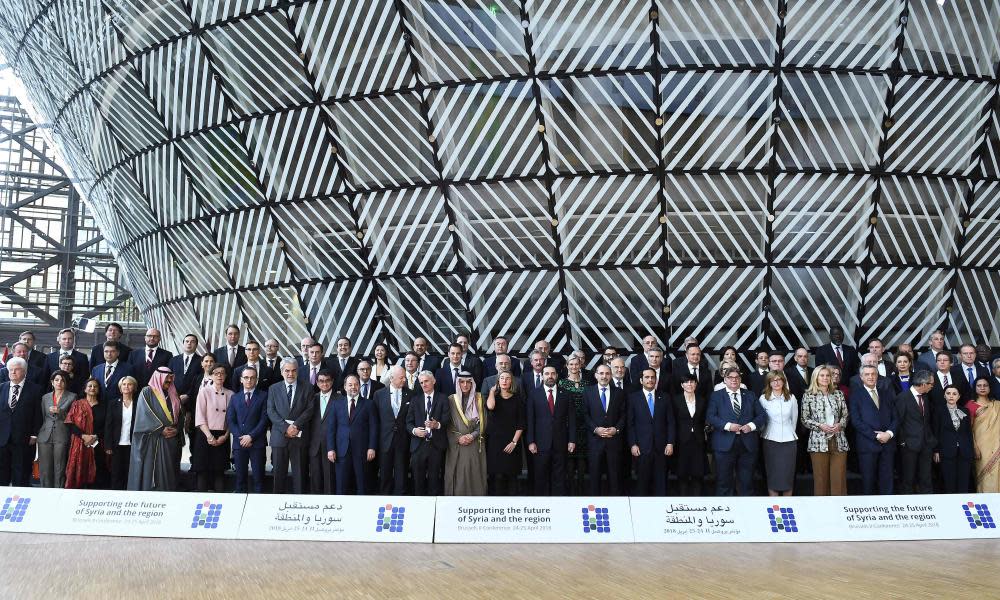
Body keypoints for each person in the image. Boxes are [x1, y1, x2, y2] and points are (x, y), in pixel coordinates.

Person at [707, 368, 765, 496]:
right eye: (730, 377)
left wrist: (751, 425)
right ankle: (725, 513)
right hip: (724, 444)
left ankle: (745, 513)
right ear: (725, 380)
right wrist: (728, 426)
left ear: (740, 379)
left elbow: (761, 415)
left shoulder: (750, 394)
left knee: (747, 482)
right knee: (723, 482)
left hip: (747, 444)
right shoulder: (716, 396)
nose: (734, 379)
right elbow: (710, 416)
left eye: (737, 377)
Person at [128, 367, 182, 491]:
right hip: (153, 439)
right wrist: (160, 429)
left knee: (170, 471)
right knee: (153, 473)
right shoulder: (147, 392)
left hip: (171, 439)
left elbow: (181, 415)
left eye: (170, 376)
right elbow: (143, 415)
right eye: (166, 377)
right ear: (158, 377)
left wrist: (177, 429)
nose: (169, 379)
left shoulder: (173, 393)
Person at [526, 365, 576, 495]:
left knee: (559, 476)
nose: (550, 376)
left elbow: (572, 419)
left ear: (557, 376)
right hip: (540, 444)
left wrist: (572, 440)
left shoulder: (566, 394)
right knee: (541, 476)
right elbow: (530, 420)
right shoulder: (533, 394)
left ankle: (558, 505)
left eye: (553, 373)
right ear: (542, 376)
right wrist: (530, 441)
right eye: (547, 374)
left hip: (561, 442)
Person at [800, 366, 849, 496]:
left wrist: (840, 424)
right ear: (815, 377)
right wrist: (819, 425)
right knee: (821, 480)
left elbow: (845, 415)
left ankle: (839, 511)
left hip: (839, 440)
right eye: (822, 375)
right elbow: (804, 419)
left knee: (838, 479)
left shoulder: (838, 394)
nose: (825, 378)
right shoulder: (808, 395)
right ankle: (822, 512)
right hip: (818, 442)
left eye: (828, 375)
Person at [267, 358, 314, 494]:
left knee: (300, 475)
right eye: (287, 371)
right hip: (279, 437)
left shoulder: (308, 387)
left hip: (299, 437)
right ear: (282, 372)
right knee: (279, 475)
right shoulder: (273, 388)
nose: (290, 374)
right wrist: (286, 428)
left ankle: (300, 504)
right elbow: (271, 411)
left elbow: (310, 410)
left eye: (293, 370)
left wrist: (296, 426)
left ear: (297, 371)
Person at [849, 365, 898, 495]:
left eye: (873, 374)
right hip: (867, 445)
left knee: (887, 481)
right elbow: (856, 421)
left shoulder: (886, 393)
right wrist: (875, 436)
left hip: (888, 444)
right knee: (868, 482)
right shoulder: (855, 395)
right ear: (861, 377)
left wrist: (889, 434)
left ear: (877, 376)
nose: (870, 377)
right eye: (867, 374)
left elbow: (896, 417)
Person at [325, 374, 376, 495]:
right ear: (344, 387)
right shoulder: (336, 404)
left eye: (356, 384)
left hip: (362, 451)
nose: (353, 387)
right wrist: (330, 449)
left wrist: (372, 447)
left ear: (359, 386)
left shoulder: (369, 404)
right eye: (350, 384)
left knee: (362, 485)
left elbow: (374, 428)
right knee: (341, 486)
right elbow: (331, 428)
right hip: (341, 450)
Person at [628, 368, 675, 496]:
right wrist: (633, 444)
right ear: (641, 380)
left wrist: (670, 443)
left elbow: (670, 422)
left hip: (662, 447)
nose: (650, 380)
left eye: (652, 377)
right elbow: (630, 424)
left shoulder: (665, 397)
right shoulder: (633, 398)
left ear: (656, 379)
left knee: (661, 484)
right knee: (642, 483)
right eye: (647, 377)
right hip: (642, 448)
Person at [583, 364, 625, 495]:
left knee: (615, 476)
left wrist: (616, 429)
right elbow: (584, 414)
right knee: (595, 476)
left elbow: (624, 414)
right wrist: (595, 429)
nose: (604, 376)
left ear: (611, 375)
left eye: (607, 373)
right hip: (595, 441)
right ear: (596, 375)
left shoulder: (620, 393)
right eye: (601, 373)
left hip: (614, 441)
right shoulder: (587, 391)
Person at [406, 370, 450, 495]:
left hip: (436, 445)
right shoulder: (415, 400)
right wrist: (415, 431)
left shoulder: (443, 398)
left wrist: (437, 424)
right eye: (421, 382)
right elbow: (408, 423)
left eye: (426, 381)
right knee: (417, 482)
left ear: (434, 381)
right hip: (418, 446)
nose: (424, 384)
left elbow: (447, 420)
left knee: (434, 481)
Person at [444, 372, 487, 495]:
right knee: (459, 473)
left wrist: (472, 435)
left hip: (475, 442)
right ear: (458, 383)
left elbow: (484, 421)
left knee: (475, 473)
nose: (465, 385)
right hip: (457, 443)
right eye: (462, 382)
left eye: (468, 382)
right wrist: (459, 438)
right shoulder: (451, 400)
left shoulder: (479, 398)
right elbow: (448, 423)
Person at [0, 357, 42, 486]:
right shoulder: (1, 387)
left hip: (24, 437)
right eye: (10, 370)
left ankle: (19, 502)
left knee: (21, 473)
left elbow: (38, 414)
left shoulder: (36, 389)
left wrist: (35, 434)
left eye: (16, 369)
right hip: (2, 438)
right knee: (2, 473)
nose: (13, 372)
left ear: (24, 371)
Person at [227, 367, 269, 493]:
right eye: (246, 377)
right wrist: (241, 437)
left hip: (257, 443)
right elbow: (231, 420)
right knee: (240, 479)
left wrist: (250, 436)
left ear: (256, 379)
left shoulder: (264, 396)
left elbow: (264, 419)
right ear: (241, 379)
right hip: (239, 444)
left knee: (258, 478)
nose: (249, 380)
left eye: (252, 377)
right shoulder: (235, 397)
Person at [894, 370, 936, 494]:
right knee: (908, 478)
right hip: (909, 445)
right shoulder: (902, 398)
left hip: (926, 444)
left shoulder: (926, 397)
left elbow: (927, 421)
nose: (932, 386)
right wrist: (902, 442)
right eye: (931, 384)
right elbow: (898, 421)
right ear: (923, 384)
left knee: (926, 478)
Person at [373, 366, 412, 495]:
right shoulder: (379, 394)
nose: (404, 380)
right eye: (401, 378)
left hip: (403, 441)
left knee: (402, 476)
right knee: (385, 475)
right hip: (385, 442)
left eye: (404, 377)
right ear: (391, 378)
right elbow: (375, 420)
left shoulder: (410, 394)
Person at [758, 370, 798, 496]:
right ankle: (774, 507)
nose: (776, 382)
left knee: (788, 474)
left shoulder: (791, 398)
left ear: (783, 381)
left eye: (779, 379)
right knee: (773, 473)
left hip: (789, 441)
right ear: (769, 383)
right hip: (770, 440)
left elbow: (794, 419)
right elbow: (762, 421)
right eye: (773, 380)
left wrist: (789, 433)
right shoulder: (763, 398)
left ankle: (787, 505)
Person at [193, 365, 232, 492]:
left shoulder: (231, 394)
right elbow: (199, 416)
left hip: (223, 436)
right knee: (203, 471)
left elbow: (232, 419)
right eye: (216, 373)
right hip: (205, 434)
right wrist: (209, 436)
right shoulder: (204, 391)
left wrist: (225, 436)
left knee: (219, 471)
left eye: (222, 373)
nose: (219, 376)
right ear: (211, 376)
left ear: (226, 376)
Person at [485, 370, 524, 495]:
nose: (504, 381)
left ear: (511, 381)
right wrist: (492, 391)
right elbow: (490, 407)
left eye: (507, 378)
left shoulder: (518, 399)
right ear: (498, 381)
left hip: (512, 443)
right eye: (502, 378)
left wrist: (514, 442)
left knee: (512, 476)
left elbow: (521, 424)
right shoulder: (493, 398)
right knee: (497, 477)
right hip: (495, 443)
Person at [37, 370, 75, 488]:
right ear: (52, 382)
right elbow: (43, 417)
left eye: (62, 380)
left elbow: (72, 417)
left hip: (62, 434)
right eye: (56, 380)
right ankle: (45, 494)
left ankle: (59, 493)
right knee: (45, 468)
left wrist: (61, 411)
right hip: (45, 435)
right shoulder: (45, 397)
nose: (59, 382)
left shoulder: (72, 396)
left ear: (66, 383)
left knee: (60, 467)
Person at [64, 378, 103, 489]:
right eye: (90, 386)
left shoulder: (103, 406)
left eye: (95, 386)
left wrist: (95, 436)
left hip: (98, 443)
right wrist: (83, 436)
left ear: (99, 390)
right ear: (85, 389)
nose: (92, 388)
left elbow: (107, 425)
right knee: (78, 470)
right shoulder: (77, 404)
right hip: (79, 442)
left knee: (97, 472)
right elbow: (69, 423)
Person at [934, 385, 973, 493]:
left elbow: (968, 432)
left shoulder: (965, 410)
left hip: (964, 451)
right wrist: (936, 450)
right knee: (949, 482)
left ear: (959, 396)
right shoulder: (938, 411)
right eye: (948, 393)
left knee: (964, 482)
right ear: (944, 395)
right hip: (946, 451)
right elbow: (936, 432)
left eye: (954, 394)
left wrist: (971, 450)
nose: (951, 396)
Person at [559, 355, 587, 493]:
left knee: (581, 458)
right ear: (567, 366)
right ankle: (570, 490)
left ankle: (581, 489)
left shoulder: (586, 384)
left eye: (577, 364)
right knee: (569, 458)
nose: (574, 367)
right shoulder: (562, 383)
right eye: (572, 364)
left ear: (580, 365)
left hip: (584, 426)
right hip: (567, 425)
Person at [105, 376, 138, 490]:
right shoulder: (113, 403)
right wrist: (108, 445)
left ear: (134, 387)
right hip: (116, 444)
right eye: (124, 384)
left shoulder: (139, 404)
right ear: (120, 388)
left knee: (130, 473)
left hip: (133, 445)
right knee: (116, 474)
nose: (126, 386)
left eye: (129, 384)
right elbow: (108, 426)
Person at [969, 376, 1000, 492]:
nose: (982, 388)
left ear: (990, 387)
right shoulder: (971, 406)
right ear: (975, 388)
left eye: (985, 385)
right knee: (983, 475)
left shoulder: (997, 405)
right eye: (979, 385)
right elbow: (968, 429)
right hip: (980, 448)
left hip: (997, 446)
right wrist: (974, 447)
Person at [308, 370, 337, 494]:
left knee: (330, 479)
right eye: (321, 381)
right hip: (314, 445)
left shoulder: (340, 399)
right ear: (317, 382)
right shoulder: (312, 398)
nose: (324, 384)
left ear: (332, 381)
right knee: (315, 478)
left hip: (331, 446)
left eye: (327, 380)